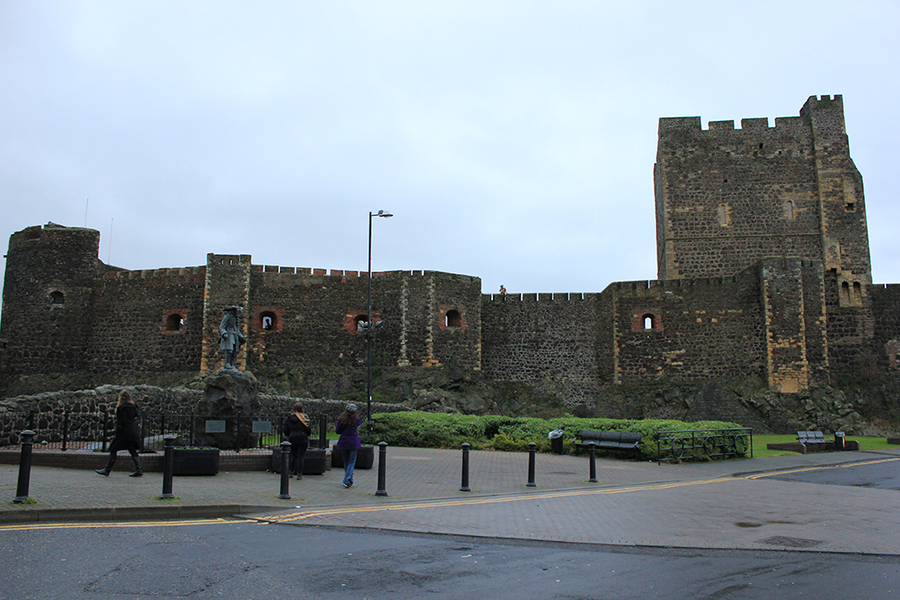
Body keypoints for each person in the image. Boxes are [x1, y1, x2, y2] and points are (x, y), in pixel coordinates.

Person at [95, 389, 142, 477]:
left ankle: (107, 470)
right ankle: (139, 469)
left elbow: (123, 421)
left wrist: (119, 429)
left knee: (113, 449)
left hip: (124, 432)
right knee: (132, 450)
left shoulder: (122, 408)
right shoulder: (133, 406)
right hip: (132, 431)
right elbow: (135, 416)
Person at [335, 403, 362, 488]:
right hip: (353, 441)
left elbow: (338, 431)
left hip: (344, 441)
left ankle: (349, 480)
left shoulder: (342, 420)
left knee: (346, 461)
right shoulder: (357, 420)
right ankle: (347, 480)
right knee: (351, 461)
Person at [282, 402, 311, 479]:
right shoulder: (304, 418)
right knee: (300, 456)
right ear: (302, 409)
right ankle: (299, 474)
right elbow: (308, 429)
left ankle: (290, 472)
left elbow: (285, 430)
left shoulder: (289, 418)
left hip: (292, 437)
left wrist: (290, 434)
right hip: (303, 437)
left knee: (293, 455)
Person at [219, 305, 245, 371]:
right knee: (229, 349)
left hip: (235, 334)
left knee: (235, 350)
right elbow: (222, 327)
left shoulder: (236, 319)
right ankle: (227, 364)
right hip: (229, 334)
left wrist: (241, 337)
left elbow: (237, 329)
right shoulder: (227, 317)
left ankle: (232, 364)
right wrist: (224, 333)